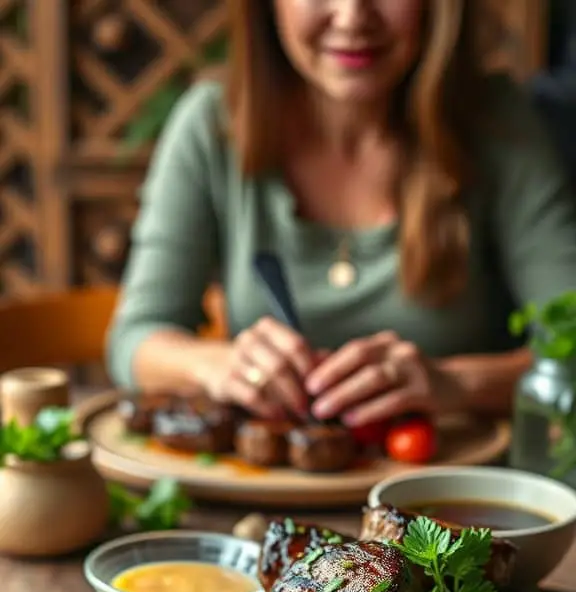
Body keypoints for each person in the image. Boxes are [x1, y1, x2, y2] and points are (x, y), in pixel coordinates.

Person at [106, 0, 576, 430]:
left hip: (452, 505)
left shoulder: (498, 124)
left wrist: (454, 384)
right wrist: (218, 366)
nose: (352, 16)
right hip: (257, 504)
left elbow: (570, 347)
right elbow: (136, 338)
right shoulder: (210, 124)